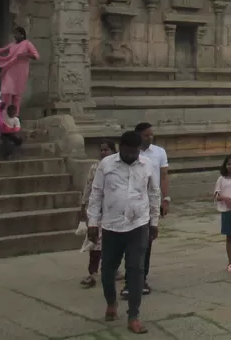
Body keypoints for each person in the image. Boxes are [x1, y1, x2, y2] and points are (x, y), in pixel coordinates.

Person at [87, 130, 160, 334]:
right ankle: (111, 302)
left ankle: (134, 315)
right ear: (121, 148)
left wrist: (154, 222)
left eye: (135, 151)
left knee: (136, 269)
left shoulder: (147, 165)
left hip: (138, 225)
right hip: (111, 226)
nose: (132, 155)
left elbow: (154, 193)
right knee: (108, 271)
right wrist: (93, 222)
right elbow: (96, 194)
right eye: (128, 151)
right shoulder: (107, 164)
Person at [120, 122, 169, 298]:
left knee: (145, 245)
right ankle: (128, 278)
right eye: (146, 135)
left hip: (148, 204)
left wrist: (165, 199)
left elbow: (162, 178)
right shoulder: (127, 155)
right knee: (127, 244)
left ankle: (141, 278)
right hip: (127, 205)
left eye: (151, 135)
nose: (150, 137)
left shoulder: (159, 153)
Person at [80, 139, 117, 289]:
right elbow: (89, 187)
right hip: (99, 211)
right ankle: (93, 273)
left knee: (115, 243)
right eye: (101, 150)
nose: (103, 152)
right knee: (95, 243)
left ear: (114, 151)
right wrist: (83, 206)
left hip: (115, 211)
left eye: (106, 150)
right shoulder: (95, 168)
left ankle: (113, 269)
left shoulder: (120, 167)